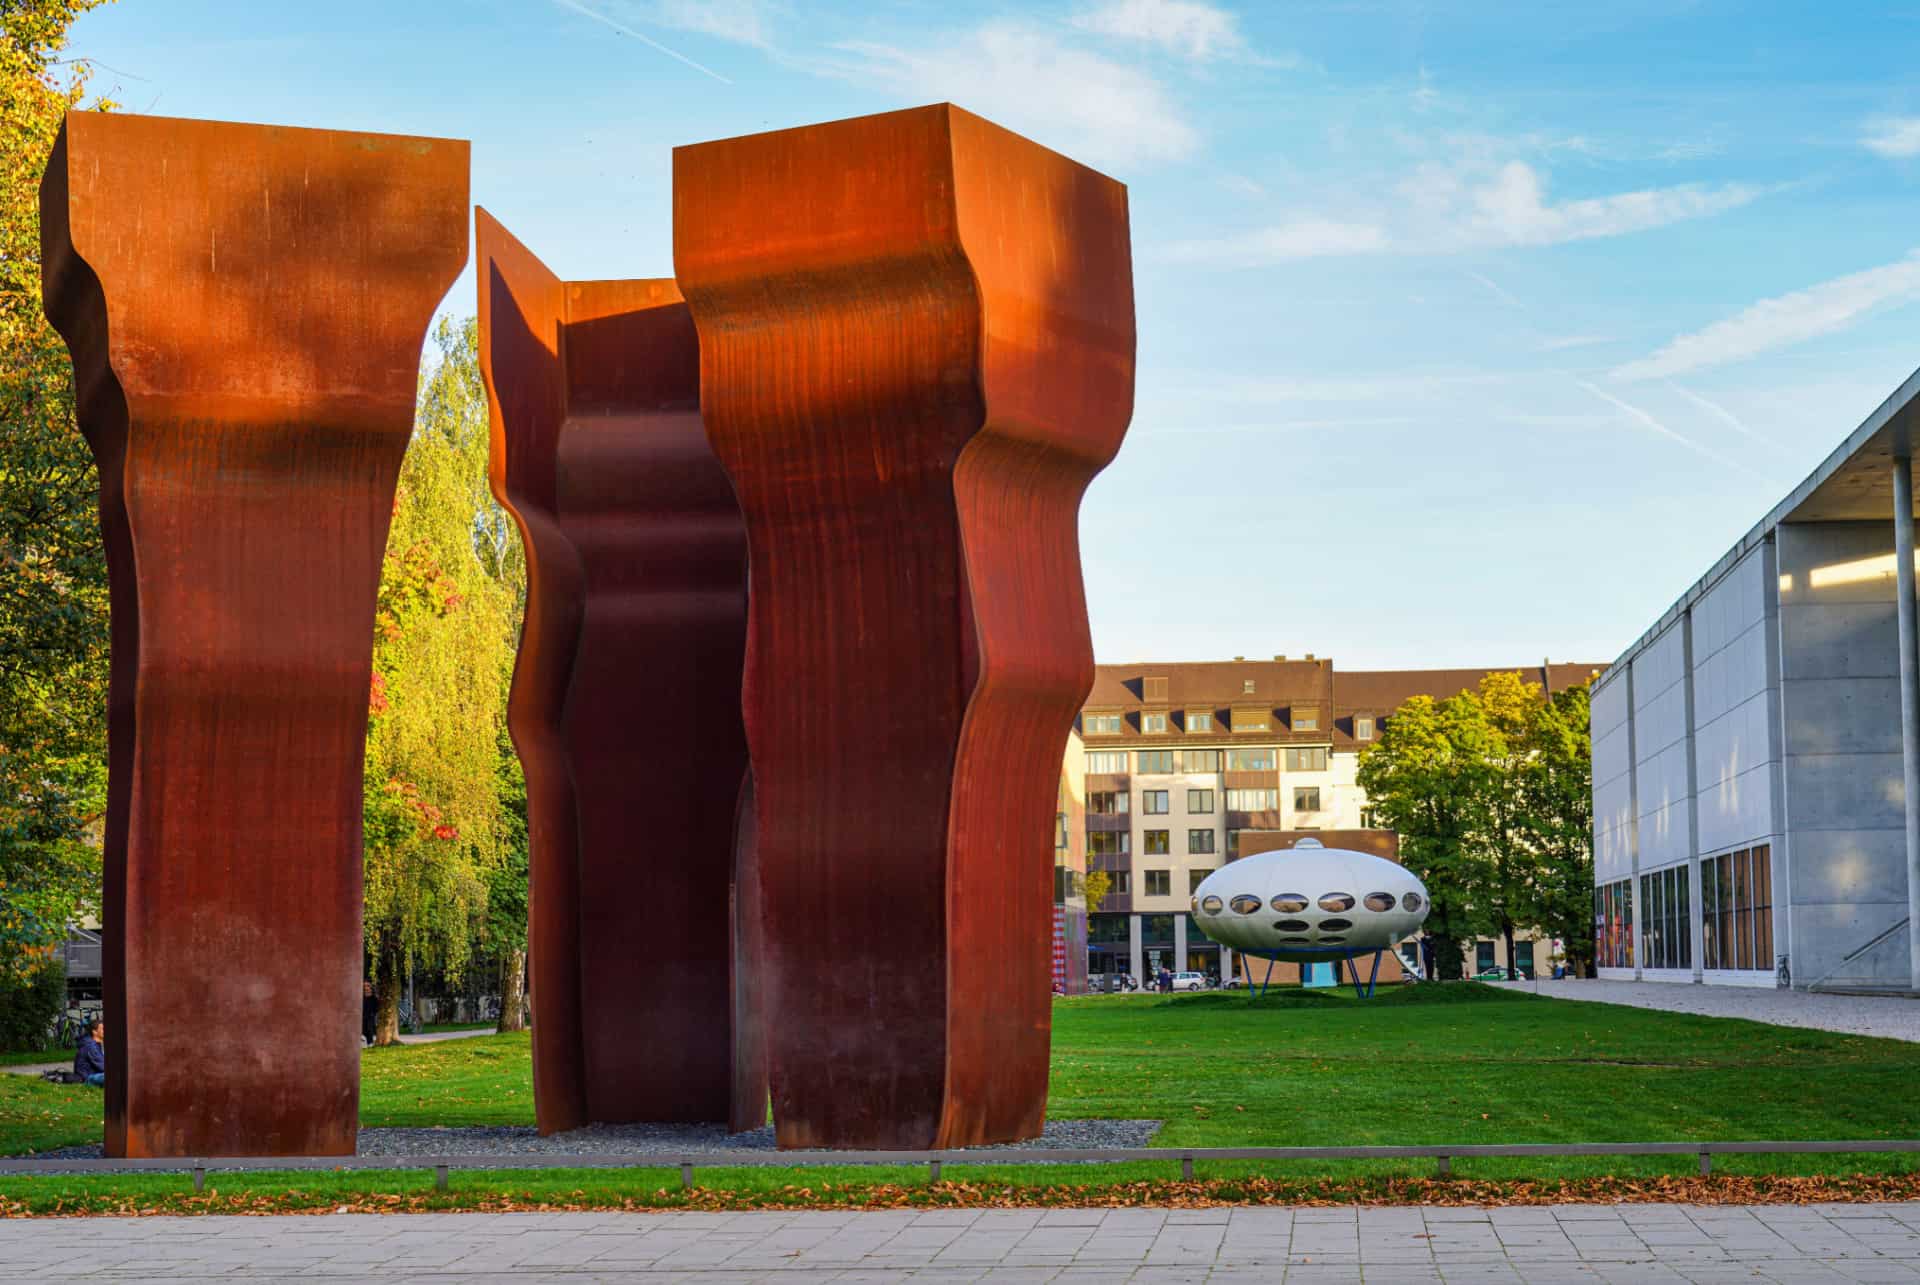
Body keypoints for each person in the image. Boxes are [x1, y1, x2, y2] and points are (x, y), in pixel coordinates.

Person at [74, 1017, 105, 1088]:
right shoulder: (90, 1046)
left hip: (95, 1074)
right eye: (103, 1029)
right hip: (87, 1078)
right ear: (94, 1032)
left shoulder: (95, 1044)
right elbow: (102, 1066)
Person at [361, 981, 378, 1047]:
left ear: (370, 987)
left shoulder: (374, 997)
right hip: (362, 1014)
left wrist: (374, 1013)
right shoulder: (361, 996)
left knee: (369, 1028)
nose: (366, 987)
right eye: (364, 986)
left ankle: (370, 1042)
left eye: (368, 986)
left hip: (370, 1015)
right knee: (363, 1027)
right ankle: (363, 1035)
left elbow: (376, 1006)